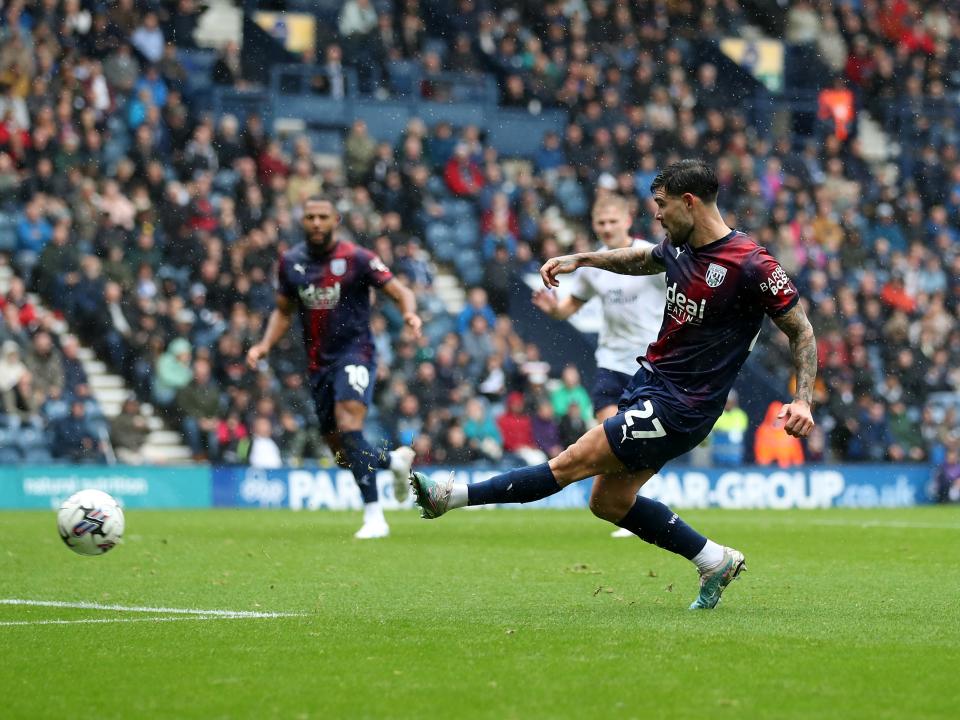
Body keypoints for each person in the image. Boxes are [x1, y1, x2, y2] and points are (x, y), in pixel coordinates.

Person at [410, 160, 817, 609]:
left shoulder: (751, 263)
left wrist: (802, 400)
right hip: (651, 385)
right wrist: (582, 259)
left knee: (571, 462)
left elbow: (801, 330)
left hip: (684, 405)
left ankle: (451, 498)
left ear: (689, 202)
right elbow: (640, 258)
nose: (657, 216)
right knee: (608, 500)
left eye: (661, 206)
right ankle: (713, 558)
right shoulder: (679, 248)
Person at [247, 196, 421, 539]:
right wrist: (265, 345)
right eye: (310, 216)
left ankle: (375, 516)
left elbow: (400, 291)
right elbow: (283, 311)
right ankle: (394, 463)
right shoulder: (290, 262)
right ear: (302, 220)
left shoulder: (357, 258)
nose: (315, 222)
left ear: (335, 220)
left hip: (356, 353)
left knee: (349, 426)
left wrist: (410, 315)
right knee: (340, 449)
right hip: (318, 364)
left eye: (322, 216)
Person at [533, 193, 666, 538]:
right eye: (600, 223)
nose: (606, 228)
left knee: (632, 439)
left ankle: (629, 501)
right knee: (611, 434)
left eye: (612, 222)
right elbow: (569, 308)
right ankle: (624, 504)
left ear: (627, 220)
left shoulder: (651, 258)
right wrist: (553, 310)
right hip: (610, 361)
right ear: (594, 225)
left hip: (648, 364)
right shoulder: (595, 267)